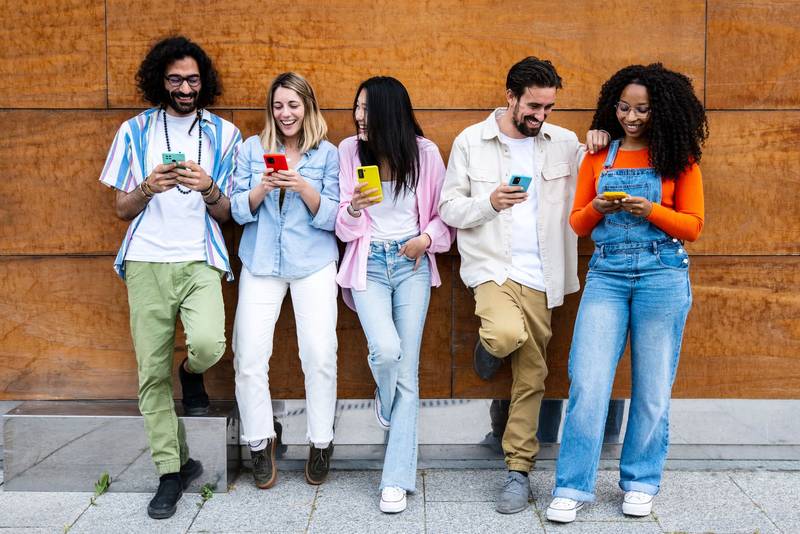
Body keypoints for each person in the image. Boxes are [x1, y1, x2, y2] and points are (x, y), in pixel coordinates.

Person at [439, 56, 608, 514]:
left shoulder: (564, 143)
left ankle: (518, 470)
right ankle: (491, 345)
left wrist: (599, 141)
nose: (541, 115)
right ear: (510, 97)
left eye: (549, 107)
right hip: (492, 268)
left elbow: (599, 173)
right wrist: (490, 203)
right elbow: (448, 208)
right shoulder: (471, 141)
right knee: (504, 334)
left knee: (532, 375)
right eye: (533, 106)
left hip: (543, 276)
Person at [546, 63, 707, 523]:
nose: (631, 117)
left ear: (662, 112)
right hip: (608, 275)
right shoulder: (599, 155)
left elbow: (693, 226)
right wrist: (597, 206)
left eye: (642, 110)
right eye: (623, 107)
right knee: (588, 380)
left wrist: (650, 209)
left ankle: (640, 481)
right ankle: (572, 486)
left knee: (652, 387)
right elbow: (578, 224)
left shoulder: (679, 158)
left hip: (662, 273)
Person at [99, 36, 241, 519]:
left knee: (208, 344)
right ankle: (172, 470)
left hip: (200, 259)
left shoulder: (225, 134)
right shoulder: (133, 131)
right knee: (151, 374)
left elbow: (228, 213)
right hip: (146, 262)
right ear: (160, 80)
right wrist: (147, 187)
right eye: (176, 79)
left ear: (204, 82)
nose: (185, 88)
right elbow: (121, 209)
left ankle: (192, 372)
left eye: (193, 80)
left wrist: (209, 187)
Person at [336, 76, 452, 514]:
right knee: (386, 351)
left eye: (367, 109)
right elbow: (343, 228)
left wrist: (426, 239)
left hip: (411, 263)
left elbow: (443, 216)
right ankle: (385, 402)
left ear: (390, 111)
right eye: (357, 107)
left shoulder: (424, 153)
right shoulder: (350, 151)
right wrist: (353, 208)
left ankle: (396, 479)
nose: (359, 116)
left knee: (408, 371)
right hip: (368, 263)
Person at [230, 72, 339, 489]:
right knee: (249, 355)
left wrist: (303, 187)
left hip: (313, 262)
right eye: (278, 105)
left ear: (307, 107)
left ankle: (321, 441)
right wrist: (262, 188)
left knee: (319, 353)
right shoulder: (251, 149)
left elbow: (333, 216)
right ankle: (260, 442)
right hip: (261, 262)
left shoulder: (327, 154)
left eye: (293, 105)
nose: (285, 113)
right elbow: (237, 210)